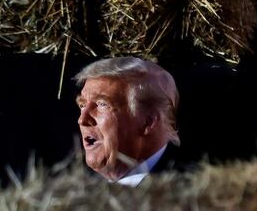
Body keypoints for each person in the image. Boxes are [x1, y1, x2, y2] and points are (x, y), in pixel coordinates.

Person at [74, 56, 180, 186]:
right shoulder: (79, 189)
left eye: (102, 104)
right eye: (82, 105)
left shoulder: (185, 186)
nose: (82, 120)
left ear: (149, 121)